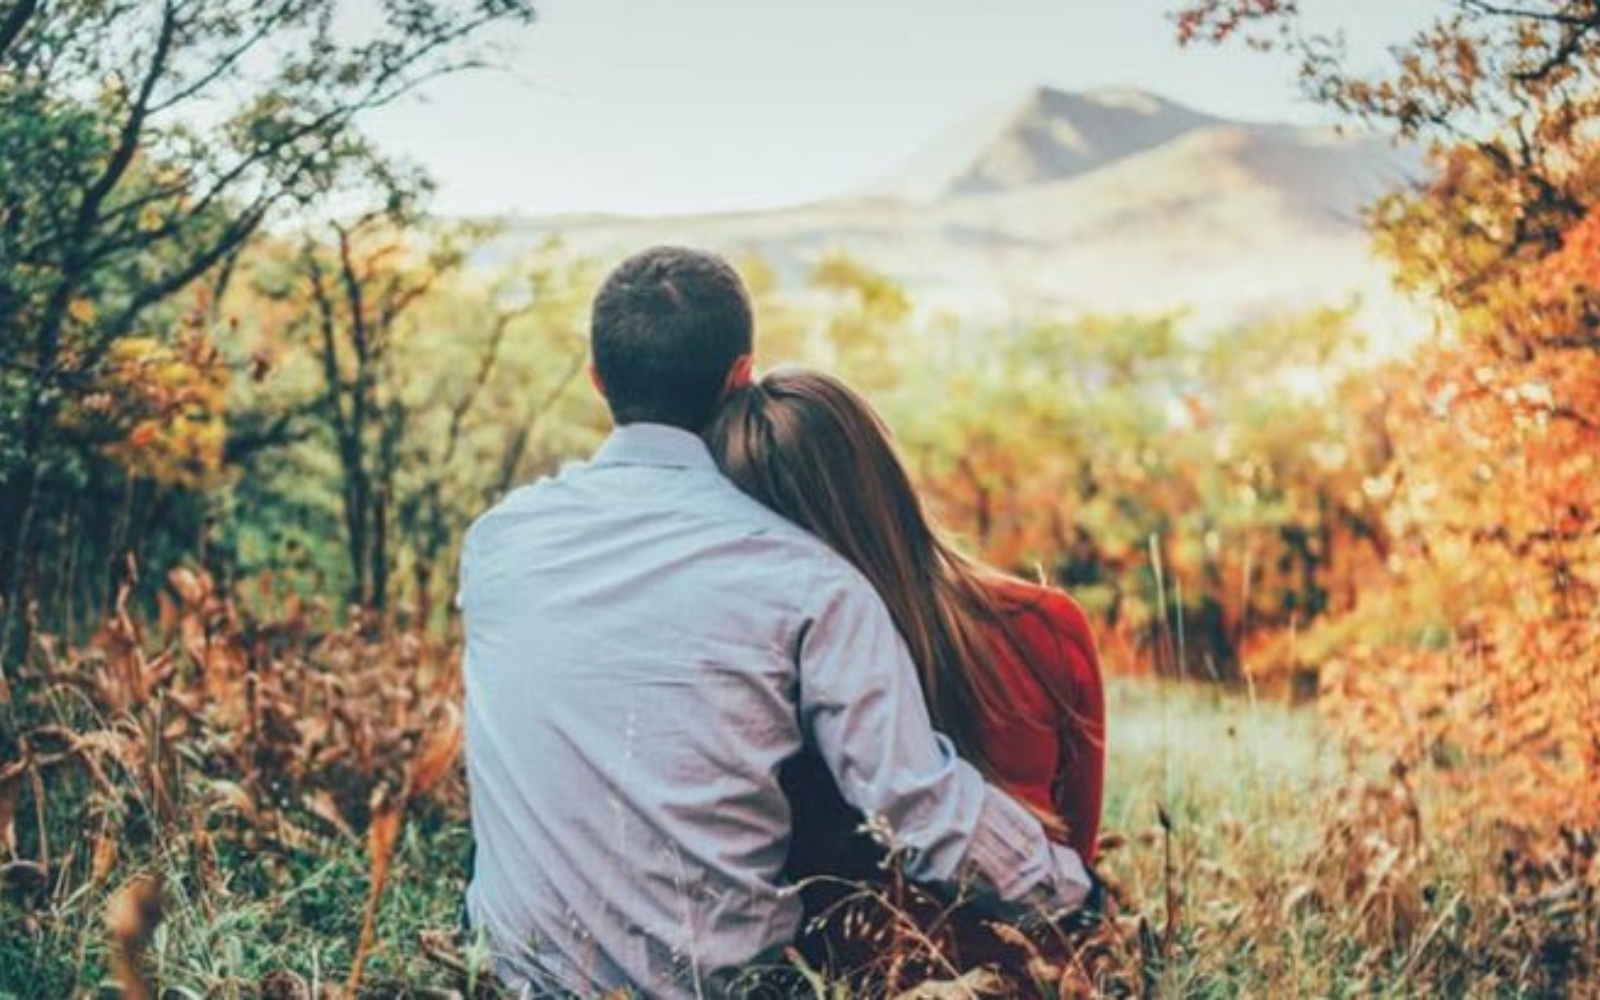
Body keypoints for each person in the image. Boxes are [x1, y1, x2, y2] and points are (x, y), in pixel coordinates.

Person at [459, 246, 1095, 998]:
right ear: (739, 377)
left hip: (515, 976)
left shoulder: (497, 542)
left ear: (598, 379)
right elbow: (919, 809)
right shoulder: (810, 581)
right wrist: (1076, 899)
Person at [707, 368, 1106, 990]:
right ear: (882, 478)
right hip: (1041, 976)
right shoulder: (1045, 625)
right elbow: (1076, 853)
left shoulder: (760, 671)